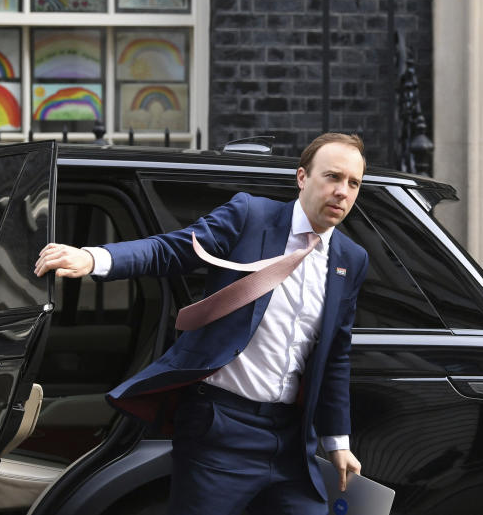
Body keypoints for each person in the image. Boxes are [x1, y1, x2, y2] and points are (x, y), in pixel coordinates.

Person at [34, 133, 369, 515]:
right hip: (222, 428)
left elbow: (337, 353)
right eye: (332, 177)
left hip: (293, 442)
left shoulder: (350, 258)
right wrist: (95, 258)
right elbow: (173, 249)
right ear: (302, 178)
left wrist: (337, 440)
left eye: (353, 183)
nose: (342, 191)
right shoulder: (250, 215)